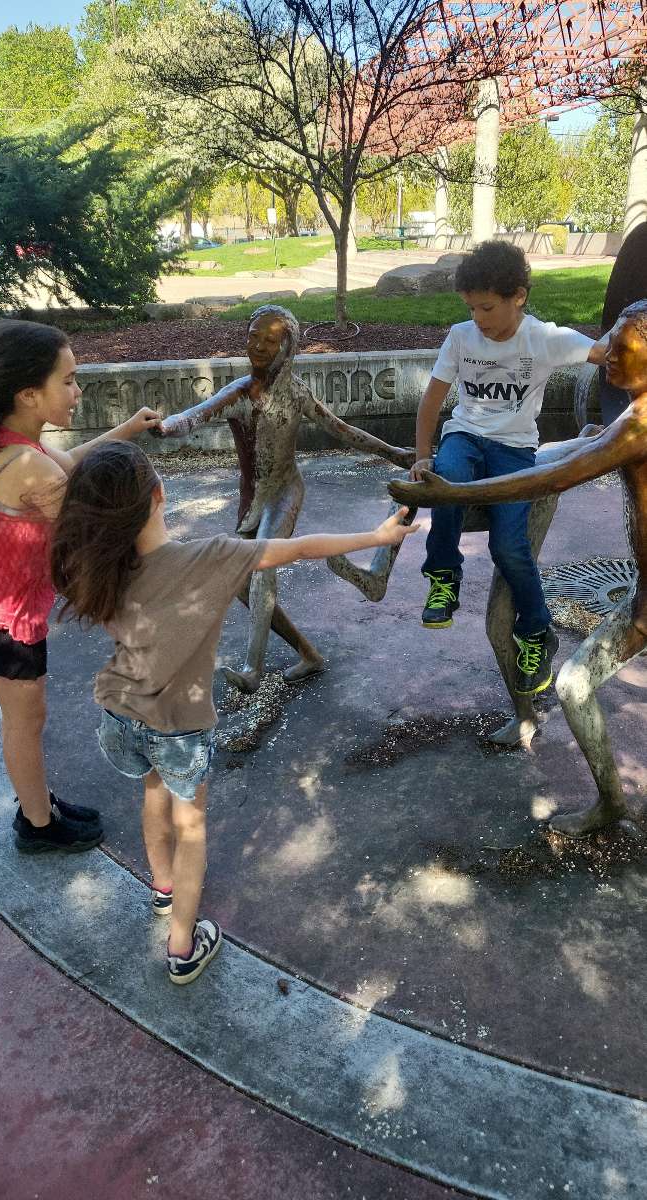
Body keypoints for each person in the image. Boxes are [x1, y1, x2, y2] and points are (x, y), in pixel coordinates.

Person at [51, 440, 419, 983]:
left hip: (121, 715)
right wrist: (377, 536)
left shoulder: (101, 568)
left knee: (153, 792)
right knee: (192, 828)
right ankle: (182, 946)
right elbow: (298, 547)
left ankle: (162, 887)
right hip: (178, 725)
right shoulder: (212, 558)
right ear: (159, 495)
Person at [389, 301, 647, 837]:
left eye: (624, 348)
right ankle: (531, 705)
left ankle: (610, 801)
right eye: (611, 346)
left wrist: (452, 494)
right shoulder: (630, 415)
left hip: (531, 486)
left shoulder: (637, 423)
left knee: (572, 679)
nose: (610, 358)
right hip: (639, 588)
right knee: (500, 622)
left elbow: (554, 478)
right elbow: (586, 446)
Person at [0, 318, 165, 853]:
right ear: (30, 394)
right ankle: (37, 827)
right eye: (70, 380)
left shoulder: (9, 442)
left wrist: (124, 432)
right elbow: (88, 545)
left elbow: (68, 467)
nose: (78, 391)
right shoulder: (29, 467)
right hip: (6, 619)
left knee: (25, 716)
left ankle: (37, 802)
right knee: (25, 719)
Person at [154, 304, 414, 694]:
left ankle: (252, 668)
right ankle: (308, 653)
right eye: (253, 336)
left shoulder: (296, 393)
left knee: (261, 566)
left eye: (269, 340)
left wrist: (394, 453)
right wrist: (164, 426)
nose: (257, 346)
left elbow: (340, 430)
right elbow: (196, 415)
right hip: (252, 501)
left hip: (286, 491)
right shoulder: (240, 393)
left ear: (287, 348)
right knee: (241, 583)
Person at [406, 240, 607, 696]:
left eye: (487, 307)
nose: (479, 317)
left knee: (510, 546)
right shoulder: (461, 337)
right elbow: (433, 400)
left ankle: (537, 631)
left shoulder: (543, 339)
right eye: (472, 307)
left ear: (519, 296)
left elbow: (605, 352)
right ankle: (443, 577)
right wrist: (422, 454)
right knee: (447, 482)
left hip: (515, 450)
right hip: (464, 436)